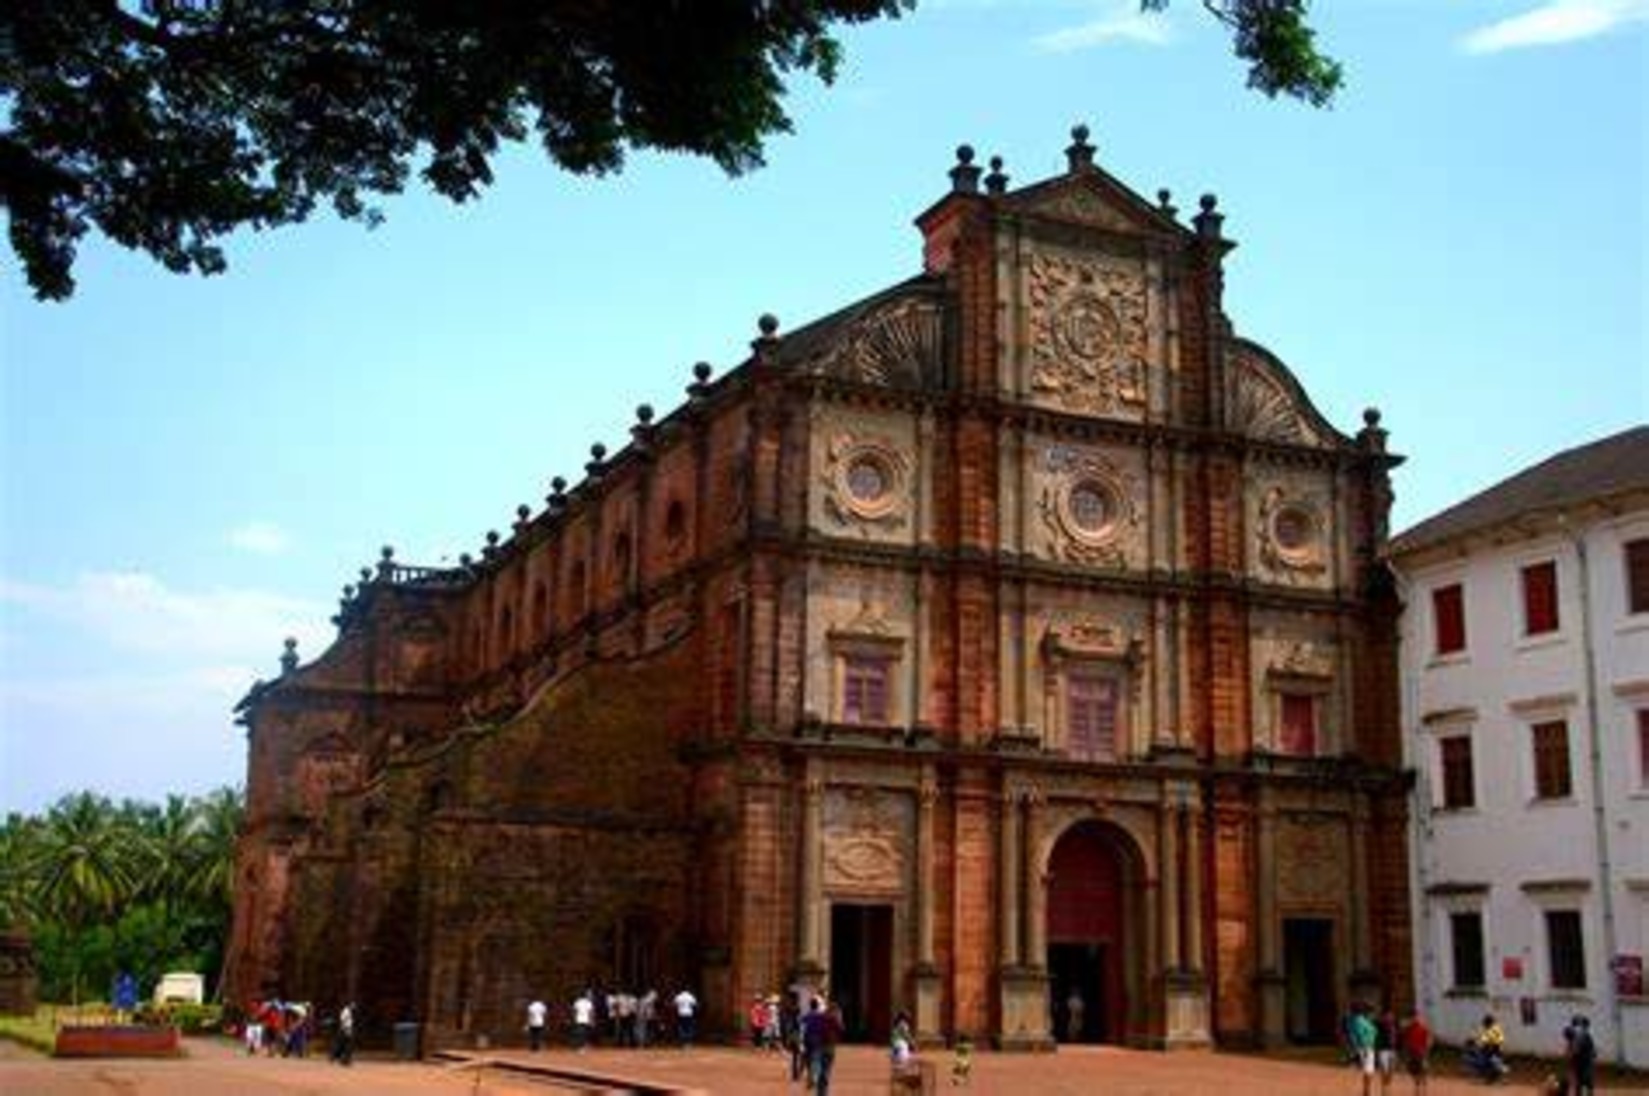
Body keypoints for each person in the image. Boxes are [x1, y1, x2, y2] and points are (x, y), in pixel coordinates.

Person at [801, 996, 844, 1095]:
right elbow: (841, 1029)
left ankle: (814, 1079)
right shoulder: (834, 1018)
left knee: (816, 1064)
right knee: (826, 1071)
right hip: (829, 1046)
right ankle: (822, 1092)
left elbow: (805, 1023)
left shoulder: (819, 1017)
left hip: (819, 1045)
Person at [1398, 1009, 1432, 1095]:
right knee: (1412, 1070)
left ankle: (1423, 1088)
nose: (1415, 1018)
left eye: (1416, 1016)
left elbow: (1429, 1039)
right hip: (1411, 1052)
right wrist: (1405, 1050)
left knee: (1423, 1070)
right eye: (1413, 1017)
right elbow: (1404, 1038)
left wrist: (1426, 1050)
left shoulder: (1424, 1027)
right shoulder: (1408, 1028)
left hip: (1421, 1052)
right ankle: (1417, 1085)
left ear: (1419, 1017)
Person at [1466, 1013, 1507, 1083]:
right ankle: (1492, 1076)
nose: (1484, 1025)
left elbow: (1485, 1039)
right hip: (1498, 1049)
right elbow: (1484, 1038)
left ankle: (1484, 1075)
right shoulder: (1496, 1028)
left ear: (1488, 1023)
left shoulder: (1491, 1030)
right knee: (1481, 1054)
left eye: (1485, 1023)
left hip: (1493, 1048)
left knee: (1479, 1057)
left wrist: (1475, 1041)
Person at [1347, 1003, 1377, 1096]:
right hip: (1365, 1048)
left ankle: (1366, 1090)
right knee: (1368, 1071)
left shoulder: (1355, 1020)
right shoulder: (1359, 1021)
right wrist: (1363, 1048)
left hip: (1363, 1047)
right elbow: (1361, 1035)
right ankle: (1366, 1091)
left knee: (1367, 1071)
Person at [1567, 1015, 1596, 1096]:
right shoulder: (1584, 1034)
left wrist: (1571, 1055)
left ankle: (1583, 1093)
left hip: (1580, 1059)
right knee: (1585, 1079)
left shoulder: (1580, 1034)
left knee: (1581, 1080)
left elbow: (1573, 1047)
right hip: (1583, 1060)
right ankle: (1586, 1093)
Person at [1375, 1010, 1398, 1094]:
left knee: (1391, 1070)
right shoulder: (1379, 1025)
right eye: (1387, 1016)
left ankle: (1387, 1084)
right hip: (1383, 1050)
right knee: (1384, 1069)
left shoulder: (1394, 1027)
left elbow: (1397, 1039)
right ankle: (1384, 1088)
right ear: (1384, 1017)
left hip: (1392, 1050)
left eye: (1390, 1016)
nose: (1389, 1018)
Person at [331, 1002, 355, 1067]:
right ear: (350, 1005)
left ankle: (339, 1058)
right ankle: (344, 1060)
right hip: (345, 1030)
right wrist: (346, 1030)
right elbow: (343, 1020)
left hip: (346, 1029)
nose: (354, 1006)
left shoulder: (348, 1011)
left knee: (343, 1045)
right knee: (347, 1045)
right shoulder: (346, 1011)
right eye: (353, 1005)